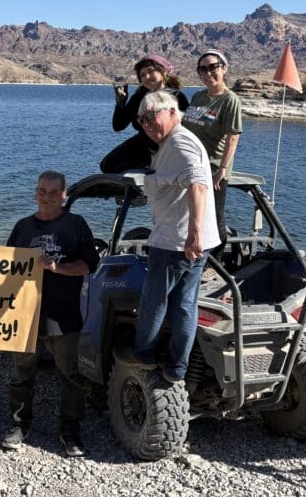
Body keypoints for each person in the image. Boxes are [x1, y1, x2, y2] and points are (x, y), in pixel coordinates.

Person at [1, 170, 99, 457]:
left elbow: (90, 265)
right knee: (21, 373)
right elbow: (6, 266)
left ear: (64, 195)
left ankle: (70, 432)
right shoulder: (22, 227)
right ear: (35, 193)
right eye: (42, 191)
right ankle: (19, 425)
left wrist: (59, 268)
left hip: (63, 316)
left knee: (69, 376)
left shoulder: (76, 225)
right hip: (25, 315)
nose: (47, 197)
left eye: (53, 192)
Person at [129, 90, 220, 383]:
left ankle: (142, 358)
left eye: (151, 116)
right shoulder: (171, 144)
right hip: (188, 242)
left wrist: (193, 235)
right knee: (184, 305)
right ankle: (175, 369)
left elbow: (200, 185)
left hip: (175, 242)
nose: (146, 123)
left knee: (153, 303)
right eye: (141, 119)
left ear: (171, 112)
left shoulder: (181, 143)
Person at [182, 49, 243, 262]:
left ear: (223, 69)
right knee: (191, 215)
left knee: (215, 218)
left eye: (212, 67)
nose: (208, 73)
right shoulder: (198, 96)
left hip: (214, 168)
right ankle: (192, 256)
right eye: (202, 69)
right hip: (191, 166)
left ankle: (214, 263)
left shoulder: (229, 100)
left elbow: (233, 137)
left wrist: (223, 170)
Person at [100, 54, 189, 174]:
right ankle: (144, 178)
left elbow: (185, 129)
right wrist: (120, 104)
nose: (147, 77)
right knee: (108, 165)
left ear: (163, 72)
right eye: (142, 75)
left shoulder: (177, 97)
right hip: (143, 144)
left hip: (168, 147)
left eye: (151, 71)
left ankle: (152, 177)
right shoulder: (140, 96)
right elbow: (118, 126)